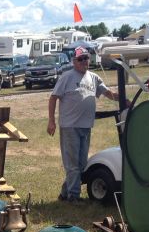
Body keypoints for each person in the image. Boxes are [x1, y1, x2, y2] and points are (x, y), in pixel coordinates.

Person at [47, 47, 118, 202]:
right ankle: (73, 197)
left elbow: (108, 94)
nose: (84, 61)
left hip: (86, 126)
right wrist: (51, 121)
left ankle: (65, 194)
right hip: (70, 126)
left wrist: (124, 99)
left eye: (86, 58)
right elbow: (53, 98)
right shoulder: (66, 77)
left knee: (81, 164)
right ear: (74, 61)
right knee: (72, 164)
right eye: (80, 59)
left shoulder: (94, 77)